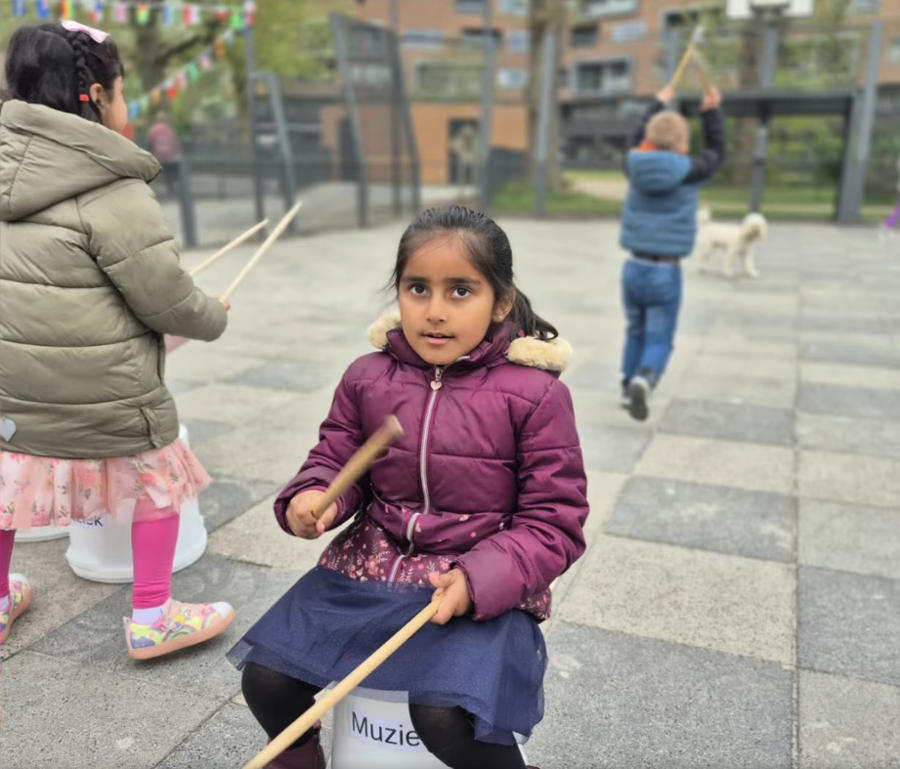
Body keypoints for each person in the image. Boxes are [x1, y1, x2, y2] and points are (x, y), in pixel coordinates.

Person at [229, 205, 590, 769]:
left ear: (500, 301)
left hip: (477, 580)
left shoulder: (536, 395)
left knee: (443, 715)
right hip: (369, 567)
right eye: (417, 288)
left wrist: (480, 577)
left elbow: (555, 522)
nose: (435, 312)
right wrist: (313, 499)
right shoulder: (367, 377)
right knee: (268, 679)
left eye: (460, 291)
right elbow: (335, 458)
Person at [0, 21, 234, 659]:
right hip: (103, 388)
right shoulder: (110, 185)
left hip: (10, 388)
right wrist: (212, 314)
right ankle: (153, 614)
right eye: (123, 93)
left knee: (5, 477)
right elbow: (164, 298)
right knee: (159, 468)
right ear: (97, 95)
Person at [619, 85, 725, 421]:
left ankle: (626, 383)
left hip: (633, 266)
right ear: (683, 145)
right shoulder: (691, 171)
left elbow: (635, 140)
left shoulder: (634, 166)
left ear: (648, 140)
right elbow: (718, 151)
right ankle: (645, 377)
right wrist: (712, 113)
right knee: (660, 335)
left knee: (635, 328)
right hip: (667, 270)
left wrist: (656, 103)